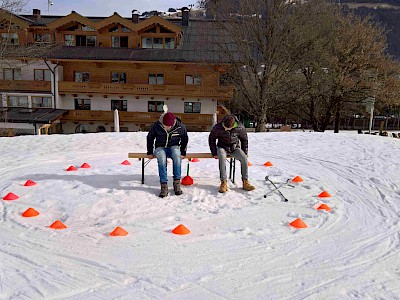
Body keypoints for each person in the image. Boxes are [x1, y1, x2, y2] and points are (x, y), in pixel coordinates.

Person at [209, 115, 255, 193]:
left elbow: (244, 140)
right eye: (225, 127)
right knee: (222, 157)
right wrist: (214, 152)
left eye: (228, 128)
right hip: (222, 147)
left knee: (244, 158)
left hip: (234, 148)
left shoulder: (240, 127)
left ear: (233, 125)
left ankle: (245, 181)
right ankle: (223, 182)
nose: (225, 129)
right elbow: (211, 139)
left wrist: (245, 152)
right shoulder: (218, 127)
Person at [147, 112, 188, 198]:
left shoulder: (180, 127)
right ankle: (164, 185)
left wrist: (183, 152)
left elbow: (185, 139)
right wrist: (150, 152)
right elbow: (150, 138)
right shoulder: (156, 126)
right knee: (162, 158)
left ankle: (177, 183)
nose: (168, 127)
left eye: (170, 126)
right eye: (166, 125)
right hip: (160, 147)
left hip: (174, 146)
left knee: (177, 156)